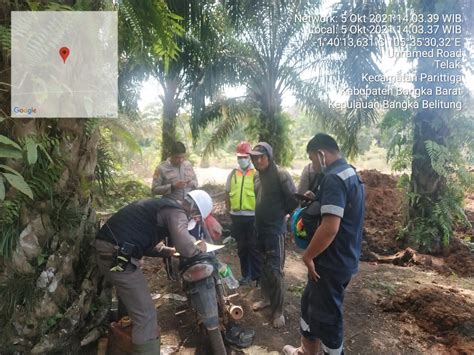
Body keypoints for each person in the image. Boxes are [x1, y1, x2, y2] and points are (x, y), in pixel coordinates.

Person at [95, 190, 212, 354]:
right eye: (197, 217)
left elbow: (144, 238)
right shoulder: (178, 212)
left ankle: (126, 344)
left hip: (110, 250)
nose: (195, 220)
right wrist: (199, 248)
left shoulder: (162, 205)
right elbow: (186, 247)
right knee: (146, 316)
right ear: (193, 210)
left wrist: (168, 251)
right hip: (117, 256)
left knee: (131, 305)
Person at [283, 133, 365, 355]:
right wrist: (316, 199)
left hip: (330, 262)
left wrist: (307, 255)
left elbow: (330, 228)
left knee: (328, 319)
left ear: (321, 154)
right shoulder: (349, 173)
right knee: (310, 305)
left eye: (312, 159)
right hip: (342, 257)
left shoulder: (333, 178)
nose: (312, 165)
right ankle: (305, 351)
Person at [249, 142, 299, 328]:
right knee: (262, 267)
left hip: (275, 231)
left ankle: (278, 311)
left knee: (275, 271)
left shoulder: (281, 174)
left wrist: (282, 215)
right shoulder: (256, 176)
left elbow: (294, 199)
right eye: (254, 157)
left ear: (269, 157)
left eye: (261, 157)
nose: (257, 160)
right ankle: (266, 298)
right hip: (259, 229)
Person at [225, 141, 262, 286]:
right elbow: (227, 193)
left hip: (252, 216)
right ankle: (246, 275)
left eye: (245, 157)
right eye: (239, 157)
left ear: (250, 157)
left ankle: (257, 276)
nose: (242, 160)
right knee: (242, 247)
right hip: (237, 216)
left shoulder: (256, 173)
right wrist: (229, 211)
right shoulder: (233, 173)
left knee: (254, 247)